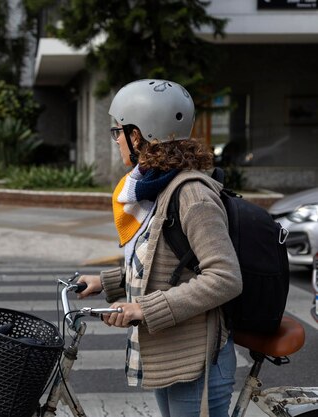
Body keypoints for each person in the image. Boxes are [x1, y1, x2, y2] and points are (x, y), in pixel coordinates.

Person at [77, 79, 242, 417]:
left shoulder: (192, 195)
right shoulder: (157, 191)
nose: (117, 140)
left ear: (138, 135)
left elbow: (225, 277)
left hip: (196, 361)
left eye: (118, 131)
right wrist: (106, 282)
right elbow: (163, 262)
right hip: (171, 354)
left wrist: (143, 310)